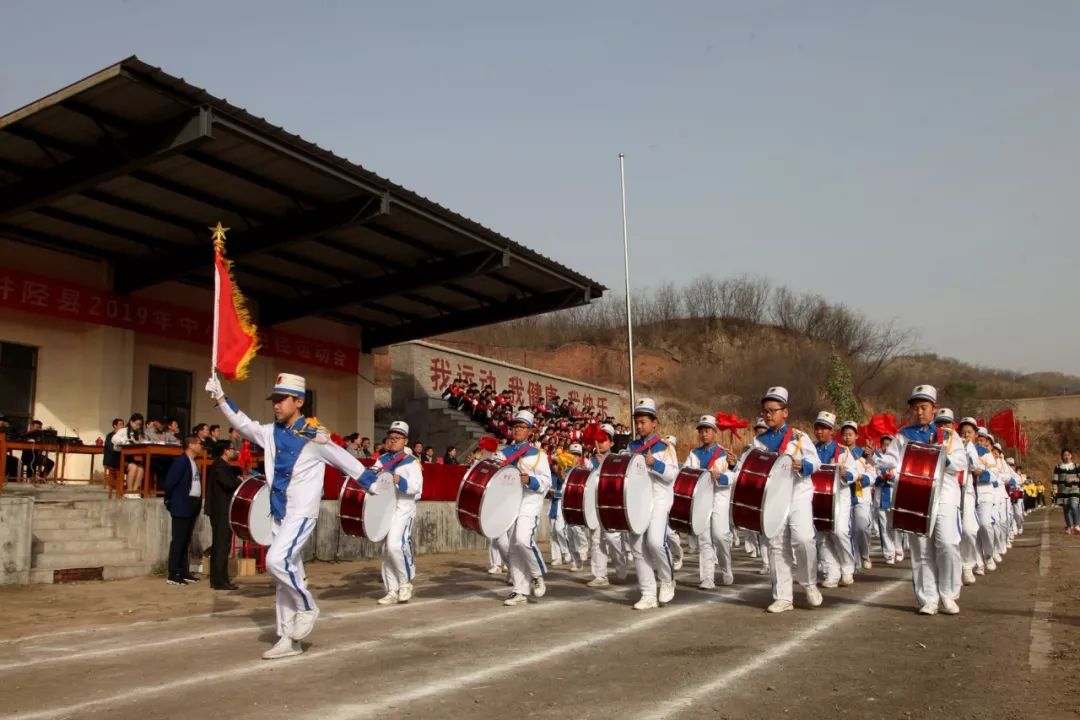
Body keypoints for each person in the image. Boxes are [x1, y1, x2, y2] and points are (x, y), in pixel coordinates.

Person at [207, 372, 367, 659]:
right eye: (275, 400)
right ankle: (287, 638)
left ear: (299, 401)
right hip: (279, 514)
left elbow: (345, 460)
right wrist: (221, 398)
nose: (276, 405)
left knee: (275, 561)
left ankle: (307, 605)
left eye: (282, 400)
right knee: (284, 578)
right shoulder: (270, 432)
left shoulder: (314, 436)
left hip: (301, 513)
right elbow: (243, 424)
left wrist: (373, 483)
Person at [876, 385, 966, 616]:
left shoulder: (948, 435)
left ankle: (948, 593)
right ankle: (928, 598)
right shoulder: (903, 435)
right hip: (914, 494)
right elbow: (887, 461)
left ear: (934, 409)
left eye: (924, 407)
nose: (919, 412)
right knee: (921, 549)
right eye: (915, 408)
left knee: (947, 543)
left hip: (944, 494)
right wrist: (895, 469)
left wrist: (942, 458)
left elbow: (961, 463)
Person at [755, 386, 823, 613]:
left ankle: (809, 583)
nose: (768, 415)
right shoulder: (760, 441)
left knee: (803, 539)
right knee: (776, 546)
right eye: (765, 411)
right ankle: (783, 596)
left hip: (798, 494)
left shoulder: (799, 437)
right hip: (774, 498)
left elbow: (816, 463)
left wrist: (801, 465)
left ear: (785, 412)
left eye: (773, 410)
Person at [359, 421, 423, 605]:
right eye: (390, 438)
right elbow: (372, 477)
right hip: (385, 509)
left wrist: (398, 479)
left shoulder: (411, 462)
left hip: (403, 509)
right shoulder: (383, 459)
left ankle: (405, 583)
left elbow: (416, 488)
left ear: (405, 440)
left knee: (395, 546)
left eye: (397, 438)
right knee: (387, 550)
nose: (393, 441)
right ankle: (391, 590)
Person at [492, 409, 552, 606]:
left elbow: (546, 482)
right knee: (513, 548)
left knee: (522, 540)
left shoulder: (538, 455)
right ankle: (519, 590)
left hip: (529, 501)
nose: (517, 430)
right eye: (514, 426)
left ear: (530, 431)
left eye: (521, 427)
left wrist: (530, 479)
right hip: (510, 502)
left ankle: (536, 574)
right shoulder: (503, 453)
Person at [626, 398, 679, 610]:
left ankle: (667, 580)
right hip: (638, 500)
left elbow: (672, 474)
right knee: (638, 546)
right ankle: (647, 593)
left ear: (654, 423)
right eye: (637, 422)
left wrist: (654, 463)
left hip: (659, 497)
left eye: (643, 422)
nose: (639, 426)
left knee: (656, 542)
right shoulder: (632, 447)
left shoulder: (664, 447)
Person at [683, 414, 734, 589]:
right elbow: (687, 473)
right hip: (702, 498)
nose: (704, 434)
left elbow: (733, 476)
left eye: (707, 431)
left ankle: (726, 568)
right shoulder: (694, 454)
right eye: (701, 431)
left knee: (720, 537)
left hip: (719, 497)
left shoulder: (724, 453)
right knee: (704, 538)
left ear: (714, 432)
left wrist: (721, 476)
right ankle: (707, 578)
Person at [812, 411, 856, 588]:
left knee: (839, 531)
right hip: (817, 497)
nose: (820, 432)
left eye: (824, 428)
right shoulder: (811, 450)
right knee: (822, 534)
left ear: (832, 431)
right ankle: (831, 571)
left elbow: (855, 474)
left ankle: (847, 566)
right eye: (818, 428)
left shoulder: (842, 451)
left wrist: (847, 473)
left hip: (839, 497)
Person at [586, 423, 629, 588]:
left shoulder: (618, 459)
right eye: (599, 439)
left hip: (612, 505)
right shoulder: (590, 461)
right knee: (596, 540)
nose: (601, 443)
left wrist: (604, 464)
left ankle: (620, 561)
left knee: (611, 537)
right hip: (594, 504)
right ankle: (600, 575)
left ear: (611, 443)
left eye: (604, 440)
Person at [163, 435, 204, 586]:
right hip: (181, 505)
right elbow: (169, 483)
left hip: (192, 504)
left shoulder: (193, 462)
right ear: (191, 445)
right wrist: (169, 501)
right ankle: (173, 573)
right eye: (199, 444)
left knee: (186, 540)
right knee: (178, 540)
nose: (201, 446)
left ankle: (184, 571)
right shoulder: (180, 462)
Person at [205, 441, 242, 590]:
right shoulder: (219, 465)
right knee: (221, 546)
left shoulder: (223, 466)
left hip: (222, 511)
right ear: (225, 451)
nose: (234, 452)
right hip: (220, 511)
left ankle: (219, 579)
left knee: (222, 546)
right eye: (232, 449)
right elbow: (228, 483)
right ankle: (220, 581)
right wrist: (238, 481)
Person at [839, 420, 875, 572]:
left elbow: (872, 473)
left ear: (856, 436)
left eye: (850, 434)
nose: (847, 437)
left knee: (861, 528)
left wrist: (862, 478)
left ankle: (865, 554)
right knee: (847, 530)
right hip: (844, 496)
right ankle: (854, 563)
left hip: (861, 496)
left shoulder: (863, 453)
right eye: (845, 435)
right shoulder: (839, 453)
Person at [955, 417, 985, 581]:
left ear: (975, 435)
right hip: (951, 492)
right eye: (963, 432)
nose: (965, 435)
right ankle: (958, 566)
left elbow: (974, 465)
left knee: (968, 530)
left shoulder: (972, 448)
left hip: (966, 493)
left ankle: (968, 565)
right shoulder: (953, 445)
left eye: (969, 432)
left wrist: (966, 449)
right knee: (953, 533)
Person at [112, 413, 147, 497]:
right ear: (131, 422)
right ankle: (129, 491)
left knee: (141, 469)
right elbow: (114, 439)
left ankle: (135, 491)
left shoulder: (139, 434)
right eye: (136, 424)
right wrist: (124, 441)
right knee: (133, 467)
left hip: (133, 458)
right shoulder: (123, 431)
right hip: (121, 458)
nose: (138, 426)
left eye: (140, 425)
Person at [1053, 450, 1079, 534]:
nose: (1067, 456)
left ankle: (1077, 525)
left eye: (1068, 455)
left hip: (1074, 489)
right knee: (1066, 509)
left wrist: (1073, 479)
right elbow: (1055, 479)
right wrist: (1054, 490)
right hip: (1063, 490)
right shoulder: (1058, 466)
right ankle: (1069, 526)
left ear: (1071, 455)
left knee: (1074, 506)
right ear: (1062, 456)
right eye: (1065, 455)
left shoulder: (1076, 466)